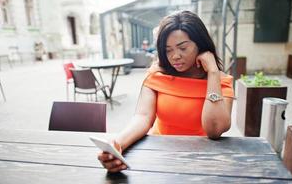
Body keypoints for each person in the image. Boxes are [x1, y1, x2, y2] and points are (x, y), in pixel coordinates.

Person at [98, 10, 234, 172]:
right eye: (168, 50)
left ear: (201, 45)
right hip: (160, 156)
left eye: (182, 48)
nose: (175, 56)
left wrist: (212, 72)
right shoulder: (157, 74)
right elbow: (142, 117)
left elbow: (214, 130)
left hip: (203, 161)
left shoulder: (221, 82)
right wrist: (117, 144)